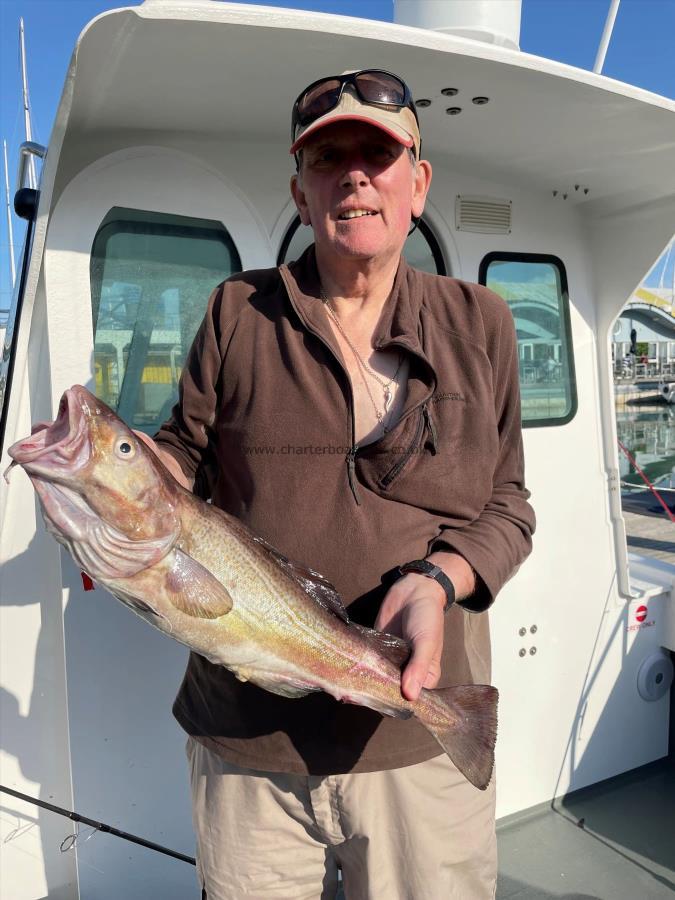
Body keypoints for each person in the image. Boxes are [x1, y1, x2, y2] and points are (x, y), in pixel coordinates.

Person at [141, 69, 535, 900]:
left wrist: (438, 579)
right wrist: (121, 487)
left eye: (378, 154)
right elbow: (182, 454)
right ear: (299, 188)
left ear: (417, 183)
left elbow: (509, 505)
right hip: (248, 743)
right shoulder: (236, 312)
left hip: (414, 736)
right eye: (328, 158)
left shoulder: (482, 321)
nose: (353, 174)